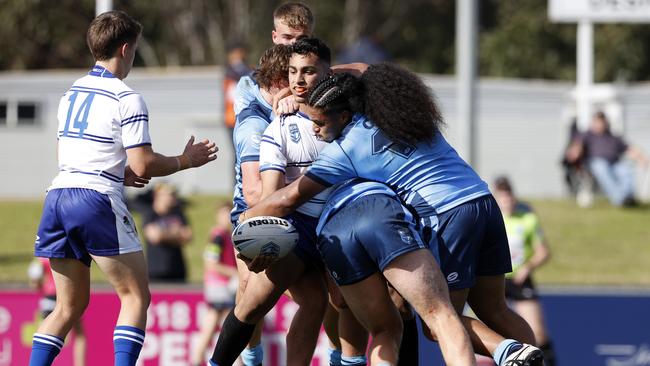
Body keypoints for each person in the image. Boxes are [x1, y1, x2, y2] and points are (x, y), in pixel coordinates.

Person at [240, 65, 545, 366]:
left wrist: (245, 218)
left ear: (343, 116)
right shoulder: (403, 116)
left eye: (319, 121)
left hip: (447, 216)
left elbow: (287, 199)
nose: (314, 130)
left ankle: (504, 348)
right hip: (483, 203)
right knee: (496, 310)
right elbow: (366, 68)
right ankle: (529, 357)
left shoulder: (345, 148)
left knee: (438, 321)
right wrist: (326, 74)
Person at [29, 10, 217, 366]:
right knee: (133, 297)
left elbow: (69, 154)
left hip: (58, 196)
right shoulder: (126, 97)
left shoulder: (70, 93)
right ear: (126, 49)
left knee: (67, 306)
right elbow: (144, 164)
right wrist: (184, 160)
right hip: (94, 199)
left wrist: (118, 171)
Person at [210, 38, 330, 366]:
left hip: (335, 227)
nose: (299, 79)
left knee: (324, 304)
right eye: (293, 72)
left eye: (307, 71)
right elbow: (262, 194)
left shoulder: (345, 114)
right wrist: (256, 225)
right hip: (297, 227)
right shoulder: (269, 126)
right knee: (252, 303)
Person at [315, 178, 475, 365]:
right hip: (377, 209)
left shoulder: (319, 179)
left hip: (333, 226)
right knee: (437, 315)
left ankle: (341, 359)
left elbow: (339, 300)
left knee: (384, 325)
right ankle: (506, 349)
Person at [493, 176, 557, 366]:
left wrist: (527, 268)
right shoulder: (492, 219)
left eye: (509, 197)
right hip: (495, 279)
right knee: (490, 330)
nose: (507, 202)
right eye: (502, 198)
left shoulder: (527, 219)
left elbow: (543, 252)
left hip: (520, 279)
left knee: (538, 332)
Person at [565, 111, 648, 207]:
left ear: (605, 122)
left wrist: (642, 159)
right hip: (595, 163)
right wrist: (574, 153)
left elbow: (629, 149)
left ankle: (628, 197)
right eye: (597, 122)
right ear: (593, 122)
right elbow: (577, 147)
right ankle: (620, 200)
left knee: (626, 170)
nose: (599, 124)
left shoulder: (613, 136)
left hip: (615, 163)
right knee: (601, 167)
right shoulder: (586, 135)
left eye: (601, 122)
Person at [192, 202, 239, 366]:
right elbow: (211, 263)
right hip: (219, 286)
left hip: (222, 286)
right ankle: (199, 358)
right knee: (224, 324)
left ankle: (200, 358)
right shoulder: (218, 236)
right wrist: (234, 273)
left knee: (218, 324)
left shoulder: (227, 235)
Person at [28, 258, 86, 366]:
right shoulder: (73, 252)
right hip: (69, 297)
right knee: (79, 336)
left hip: (49, 299)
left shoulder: (42, 258)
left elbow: (35, 283)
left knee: (44, 335)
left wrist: (40, 286)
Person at [142, 183, 192, 283]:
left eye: (173, 194)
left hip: (178, 270)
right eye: (168, 194)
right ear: (157, 196)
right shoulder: (150, 214)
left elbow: (187, 236)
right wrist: (176, 232)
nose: (172, 197)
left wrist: (164, 233)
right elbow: (155, 237)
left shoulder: (178, 213)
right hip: (156, 271)